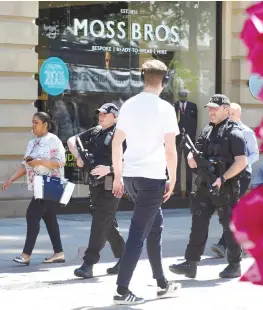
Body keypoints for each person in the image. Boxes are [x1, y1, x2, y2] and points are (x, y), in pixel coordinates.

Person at [111, 59, 181, 305]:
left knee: (155, 226)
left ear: (143, 78)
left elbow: (116, 142)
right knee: (138, 233)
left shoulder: (128, 105)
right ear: (165, 80)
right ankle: (121, 290)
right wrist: (173, 179)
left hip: (131, 176)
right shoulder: (165, 108)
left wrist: (118, 176)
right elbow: (171, 150)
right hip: (152, 177)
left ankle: (162, 283)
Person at [169, 94, 247, 279]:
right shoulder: (207, 130)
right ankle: (191, 263)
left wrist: (223, 177)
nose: (211, 111)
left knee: (229, 226)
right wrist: (190, 158)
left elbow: (241, 161)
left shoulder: (234, 132)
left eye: (215, 108)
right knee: (198, 222)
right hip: (205, 185)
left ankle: (234, 264)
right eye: (210, 108)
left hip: (226, 187)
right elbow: (196, 149)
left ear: (226, 110)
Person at [67, 103, 126, 279]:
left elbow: (130, 160)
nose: (100, 117)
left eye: (105, 114)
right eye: (99, 114)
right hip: (95, 185)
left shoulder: (121, 134)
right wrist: (78, 156)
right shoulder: (95, 131)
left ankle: (88, 263)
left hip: (111, 185)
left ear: (115, 117)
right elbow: (71, 140)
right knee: (103, 221)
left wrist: (109, 168)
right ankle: (125, 255)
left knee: (100, 222)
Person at [2, 112, 66, 265]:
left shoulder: (53, 140)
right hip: (38, 186)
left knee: (32, 216)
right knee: (50, 220)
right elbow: (25, 165)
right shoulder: (32, 142)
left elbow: (60, 162)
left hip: (49, 184)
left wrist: (39, 161)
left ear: (45, 124)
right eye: (32, 122)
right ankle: (59, 253)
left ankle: (26, 255)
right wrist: (11, 179)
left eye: (36, 122)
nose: (33, 125)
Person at [210, 102, 259, 258]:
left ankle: (224, 245)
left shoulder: (247, 132)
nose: (229, 116)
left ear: (239, 115)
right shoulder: (223, 131)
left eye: (232, 113)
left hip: (243, 175)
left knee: (231, 210)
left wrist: (241, 165)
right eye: (228, 113)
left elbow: (255, 155)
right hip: (228, 175)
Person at [174, 89, 197, 197]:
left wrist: (192, 140)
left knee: (189, 165)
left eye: (185, 95)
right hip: (176, 140)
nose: (183, 97)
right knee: (176, 165)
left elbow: (194, 124)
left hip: (188, 140)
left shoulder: (193, 107)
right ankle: (177, 190)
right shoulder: (174, 106)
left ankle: (188, 190)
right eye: (181, 95)